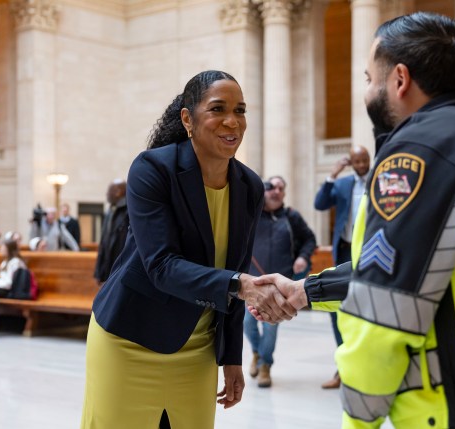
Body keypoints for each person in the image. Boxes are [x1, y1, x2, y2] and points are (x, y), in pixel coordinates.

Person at [251, 12, 455, 429]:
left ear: (400, 80)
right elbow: (444, 267)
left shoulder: (418, 156)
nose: (368, 91)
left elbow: (385, 308)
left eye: (370, 78)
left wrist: (360, 421)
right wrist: (306, 292)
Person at [79, 70, 296, 429]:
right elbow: (161, 265)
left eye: (240, 110)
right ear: (188, 119)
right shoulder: (152, 169)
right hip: (129, 338)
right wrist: (241, 285)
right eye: (218, 109)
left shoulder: (249, 186)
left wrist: (231, 358)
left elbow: (237, 268)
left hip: (197, 351)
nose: (232, 121)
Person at [244, 175, 316, 388]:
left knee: (271, 327)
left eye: (280, 188)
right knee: (247, 324)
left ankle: (265, 364)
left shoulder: (292, 216)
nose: (276, 191)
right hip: (252, 282)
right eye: (271, 187)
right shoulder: (251, 215)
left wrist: (303, 257)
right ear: (263, 190)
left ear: (284, 193)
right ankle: (257, 352)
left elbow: (309, 239)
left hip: (281, 284)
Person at [314, 146, 370, 389]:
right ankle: (342, 370)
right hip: (345, 251)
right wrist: (332, 175)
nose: (361, 165)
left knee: (368, 309)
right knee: (338, 310)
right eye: (356, 161)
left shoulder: (380, 178)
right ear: (351, 162)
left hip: (371, 252)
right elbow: (320, 203)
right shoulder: (344, 183)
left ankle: (366, 368)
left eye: (364, 160)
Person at [94, 179, 128, 286]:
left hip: (122, 272)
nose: (107, 194)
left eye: (109, 191)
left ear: (118, 192)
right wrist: (100, 272)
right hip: (108, 270)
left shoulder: (129, 211)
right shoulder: (110, 212)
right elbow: (104, 242)